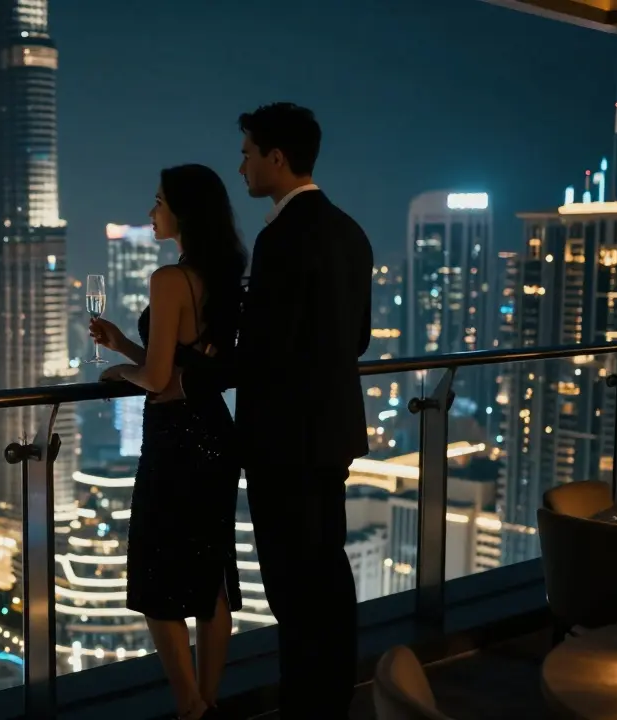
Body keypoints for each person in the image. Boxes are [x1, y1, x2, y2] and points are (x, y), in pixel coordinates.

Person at [89, 164, 247, 720]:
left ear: (183, 211)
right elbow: (183, 368)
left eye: (158, 202)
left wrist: (118, 373)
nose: (151, 212)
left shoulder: (169, 279)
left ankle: (189, 709)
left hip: (175, 439)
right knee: (210, 577)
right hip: (214, 433)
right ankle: (208, 702)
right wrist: (125, 347)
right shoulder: (221, 276)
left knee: (158, 581)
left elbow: (157, 380)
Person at [232, 102, 373, 717]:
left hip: (282, 441)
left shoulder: (279, 239)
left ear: (277, 157)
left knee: (291, 587)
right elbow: (358, 338)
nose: (241, 166)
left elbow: (263, 350)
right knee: (327, 572)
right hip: (332, 432)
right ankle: (333, 698)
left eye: (247, 153)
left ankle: (305, 706)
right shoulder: (350, 231)